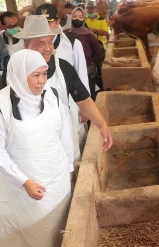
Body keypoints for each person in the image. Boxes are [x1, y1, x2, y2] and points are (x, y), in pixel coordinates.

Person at [0, 49, 73, 247]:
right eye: (35, 75)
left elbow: (64, 132)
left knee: (59, 223)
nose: (41, 81)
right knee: (37, 230)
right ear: (18, 74)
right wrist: (23, 181)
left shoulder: (53, 95)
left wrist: (68, 168)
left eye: (44, 74)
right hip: (25, 179)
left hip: (55, 172)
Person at [14, 16, 112, 156]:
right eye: (41, 43)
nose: (48, 49)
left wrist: (102, 125)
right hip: (33, 141)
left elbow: (83, 100)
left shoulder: (63, 68)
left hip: (63, 134)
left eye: (50, 42)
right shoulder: (15, 73)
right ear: (26, 45)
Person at [35, 4, 90, 163]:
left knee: (77, 142)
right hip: (45, 110)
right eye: (42, 22)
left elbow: (82, 74)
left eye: (50, 22)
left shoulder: (72, 43)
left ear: (58, 20)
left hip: (73, 103)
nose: (46, 26)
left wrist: (84, 107)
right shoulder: (32, 46)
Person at [67, 7, 103, 100]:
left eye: (80, 16)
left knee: (88, 94)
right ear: (71, 18)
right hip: (71, 70)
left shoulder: (89, 35)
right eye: (74, 16)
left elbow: (98, 53)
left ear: (83, 19)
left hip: (87, 71)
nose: (77, 19)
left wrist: (88, 63)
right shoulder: (66, 34)